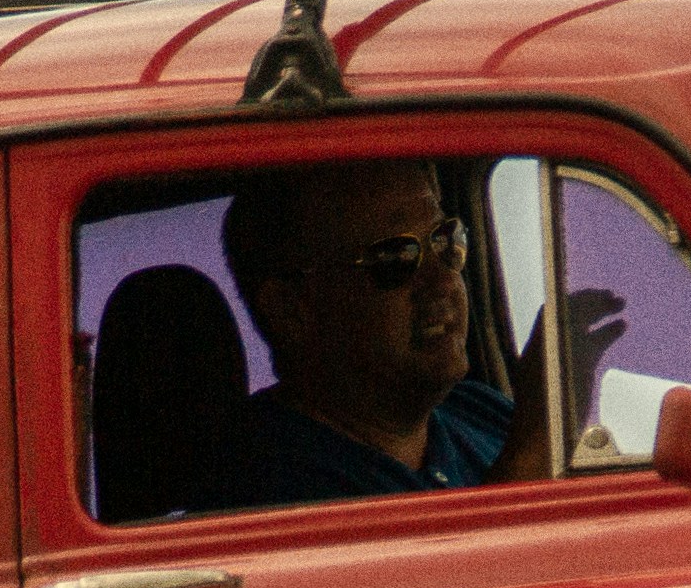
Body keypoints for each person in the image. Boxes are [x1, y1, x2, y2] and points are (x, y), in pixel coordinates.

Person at [196, 162, 524, 509]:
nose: (443, 280)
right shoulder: (271, 489)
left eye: (445, 240)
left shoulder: (477, 407)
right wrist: (533, 447)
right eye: (395, 256)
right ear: (292, 309)